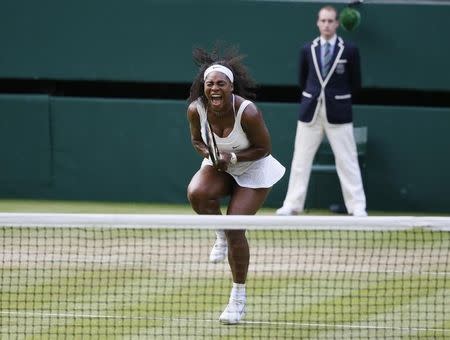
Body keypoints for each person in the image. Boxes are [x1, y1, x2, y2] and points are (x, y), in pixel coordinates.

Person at [186, 45, 285, 324]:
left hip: (253, 166)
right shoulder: (196, 110)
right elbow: (196, 141)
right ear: (203, 87)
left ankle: (238, 299)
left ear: (231, 87)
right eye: (209, 83)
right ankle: (219, 234)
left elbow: (264, 148)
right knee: (197, 194)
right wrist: (210, 154)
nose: (214, 88)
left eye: (220, 83)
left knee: (236, 228)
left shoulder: (248, 112)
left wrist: (233, 156)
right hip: (221, 165)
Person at [277, 5, 367, 217]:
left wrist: (336, 98)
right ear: (318, 23)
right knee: (300, 160)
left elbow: (356, 83)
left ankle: (357, 206)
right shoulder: (307, 49)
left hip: (339, 113)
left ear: (337, 23)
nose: (326, 24)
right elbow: (302, 80)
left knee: (348, 160)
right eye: (323, 20)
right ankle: (292, 205)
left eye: (330, 21)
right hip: (310, 112)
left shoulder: (350, 49)